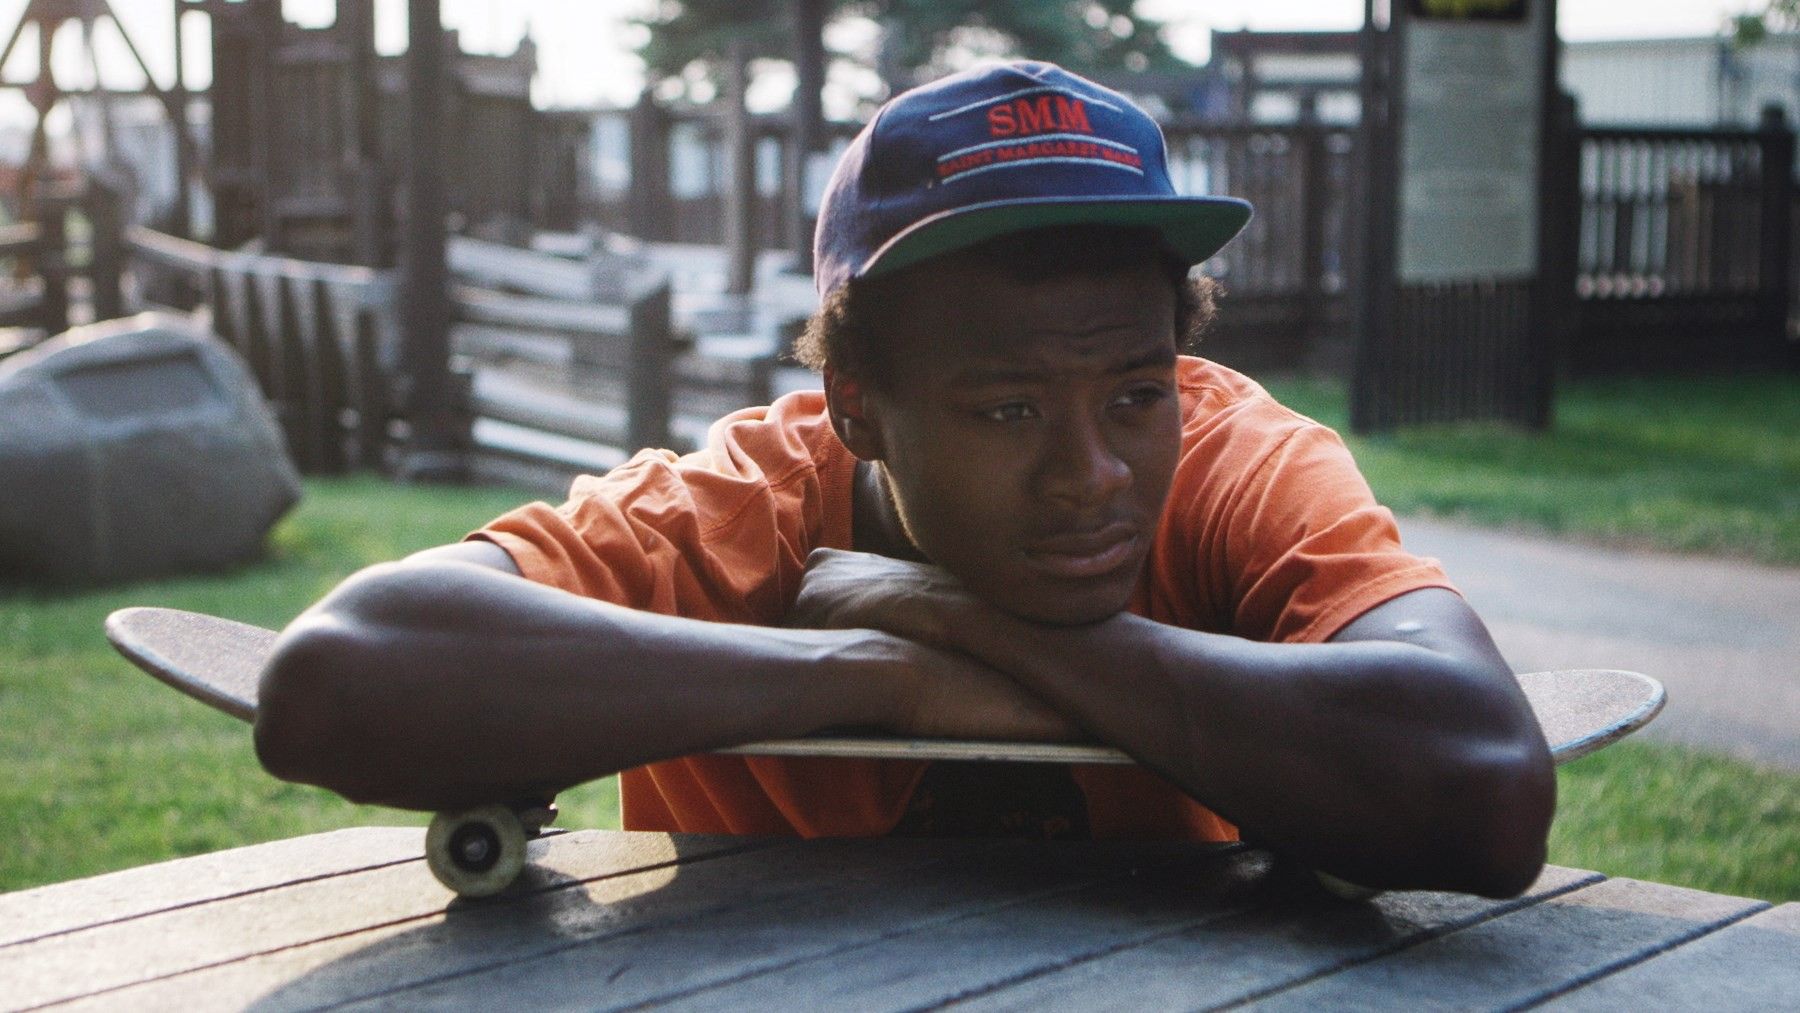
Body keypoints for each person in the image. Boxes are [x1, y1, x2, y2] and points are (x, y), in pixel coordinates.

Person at [254, 61, 1554, 897]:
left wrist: (956, 628)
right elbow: (337, 680)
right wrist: (872, 677)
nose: (1092, 473)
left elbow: (1484, 783)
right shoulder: (746, 508)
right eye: (1008, 405)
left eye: (1136, 393)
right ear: (858, 405)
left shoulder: (1236, 457)